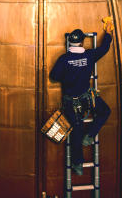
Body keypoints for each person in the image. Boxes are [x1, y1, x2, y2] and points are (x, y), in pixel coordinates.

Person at [49, 18, 114, 175]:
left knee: (76, 131)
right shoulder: (90, 55)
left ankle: (77, 165)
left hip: (70, 103)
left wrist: (68, 76)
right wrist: (108, 32)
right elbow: (104, 48)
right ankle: (90, 135)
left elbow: (54, 77)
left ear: (69, 42)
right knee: (105, 111)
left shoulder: (63, 60)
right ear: (83, 43)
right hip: (87, 99)